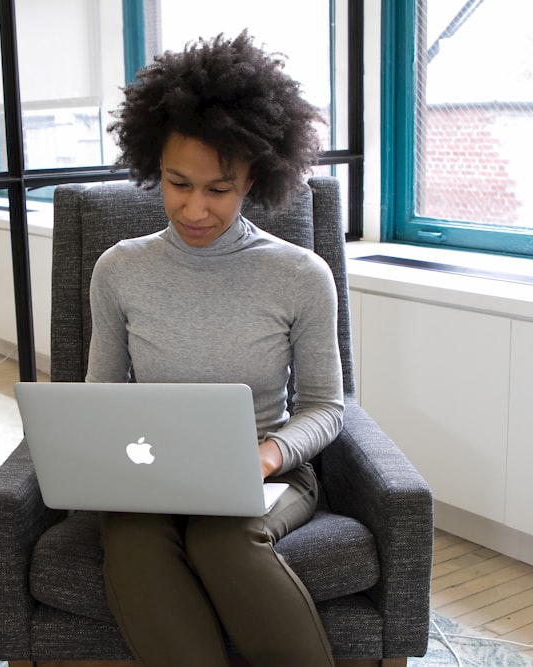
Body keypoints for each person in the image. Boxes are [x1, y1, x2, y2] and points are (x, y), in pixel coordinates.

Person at [87, 31, 344, 667]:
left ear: (255, 176)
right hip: (150, 475)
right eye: (178, 184)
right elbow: (99, 399)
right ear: (154, 168)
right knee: (132, 539)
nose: (194, 208)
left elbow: (326, 406)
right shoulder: (119, 269)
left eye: (219, 189)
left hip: (267, 473)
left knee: (221, 542)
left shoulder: (301, 274)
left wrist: (268, 454)